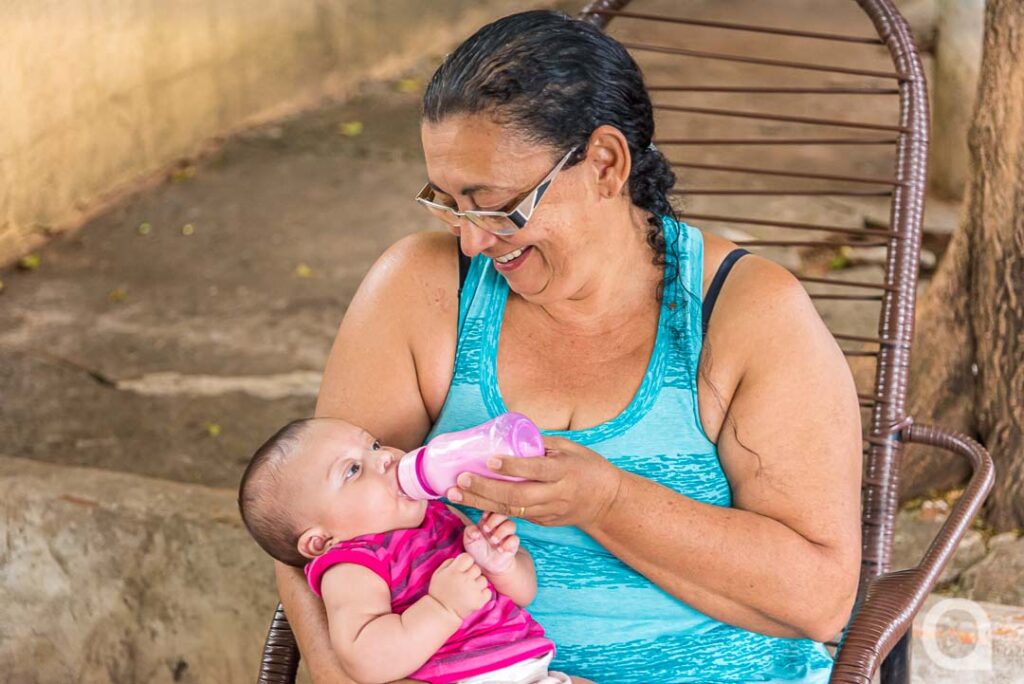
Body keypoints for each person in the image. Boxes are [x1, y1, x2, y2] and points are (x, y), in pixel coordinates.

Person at [275, 10, 862, 683]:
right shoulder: (423, 290)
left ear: (605, 164)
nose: (472, 241)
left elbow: (820, 600)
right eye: (450, 204)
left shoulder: (746, 313)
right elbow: (302, 523)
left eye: (496, 206)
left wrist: (607, 502)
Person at [238, 417, 572, 684]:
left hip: (531, 668)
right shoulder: (352, 566)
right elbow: (365, 659)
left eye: (374, 445)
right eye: (353, 469)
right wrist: (442, 608)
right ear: (322, 541)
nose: (385, 457)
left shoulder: (437, 514)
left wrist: (501, 565)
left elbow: (524, 594)